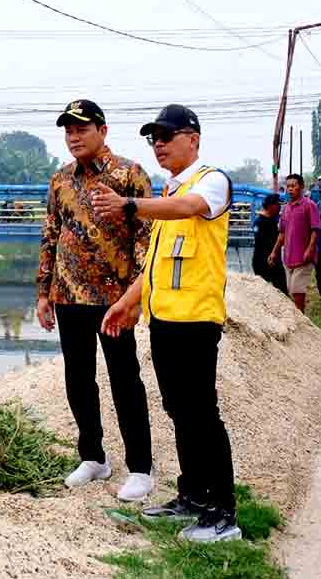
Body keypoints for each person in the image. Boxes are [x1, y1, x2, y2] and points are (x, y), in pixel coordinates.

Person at [93, 104, 240, 543]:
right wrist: (125, 302)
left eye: (166, 135)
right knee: (180, 412)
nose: (158, 144)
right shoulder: (169, 194)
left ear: (192, 139)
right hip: (165, 323)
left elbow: (191, 207)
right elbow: (155, 265)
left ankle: (223, 514)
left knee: (202, 416)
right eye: (152, 138)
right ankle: (192, 497)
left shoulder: (209, 182)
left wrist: (130, 205)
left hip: (196, 322)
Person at [36, 99, 156, 502]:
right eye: (68, 130)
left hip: (114, 299)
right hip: (68, 295)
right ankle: (93, 456)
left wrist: (137, 295)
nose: (73, 137)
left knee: (125, 380)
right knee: (78, 378)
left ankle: (141, 468)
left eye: (81, 129)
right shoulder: (60, 180)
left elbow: (145, 238)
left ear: (102, 130)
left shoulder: (129, 175)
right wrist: (43, 293)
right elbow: (51, 235)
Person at [268, 174, 320, 312]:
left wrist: (310, 249)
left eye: (293, 186)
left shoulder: (310, 205)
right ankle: (299, 322)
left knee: (298, 292)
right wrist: (274, 252)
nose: (290, 189)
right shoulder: (286, 208)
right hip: (289, 257)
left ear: (301, 187)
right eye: (288, 187)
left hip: (304, 257)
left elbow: (316, 230)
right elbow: (282, 233)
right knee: (291, 291)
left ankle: (302, 325)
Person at [252, 193, 288, 294]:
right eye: (278, 205)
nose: (279, 207)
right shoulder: (260, 223)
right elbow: (264, 244)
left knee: (283, 292)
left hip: (275, 260)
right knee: (263, 294)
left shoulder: (274, 220)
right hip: (264, 262)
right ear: (271, 206)